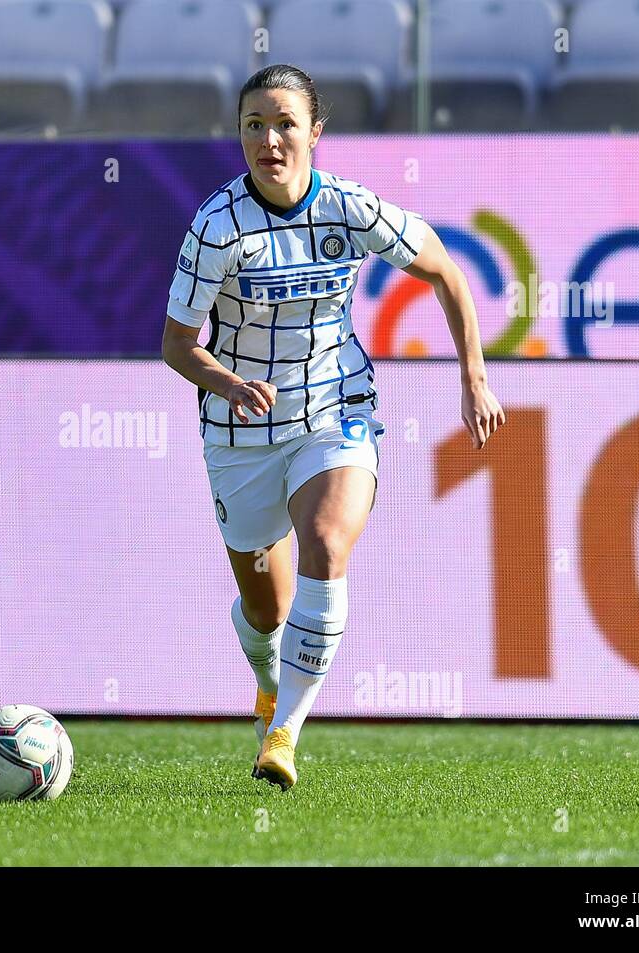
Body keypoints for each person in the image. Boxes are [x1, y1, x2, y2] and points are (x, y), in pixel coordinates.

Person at [161, 64, 506, 790]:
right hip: (241, 432)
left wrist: (473, 375)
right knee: (266, 609)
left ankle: (283, 734)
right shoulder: (217, 225)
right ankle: (267, 682)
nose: (269, 139)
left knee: (325, 543)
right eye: (254, 125)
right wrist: (227, 382)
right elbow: (175, 344)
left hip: (335, 411)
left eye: (285, 123)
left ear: (315, 133)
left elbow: (445, 271)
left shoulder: (350, 209)